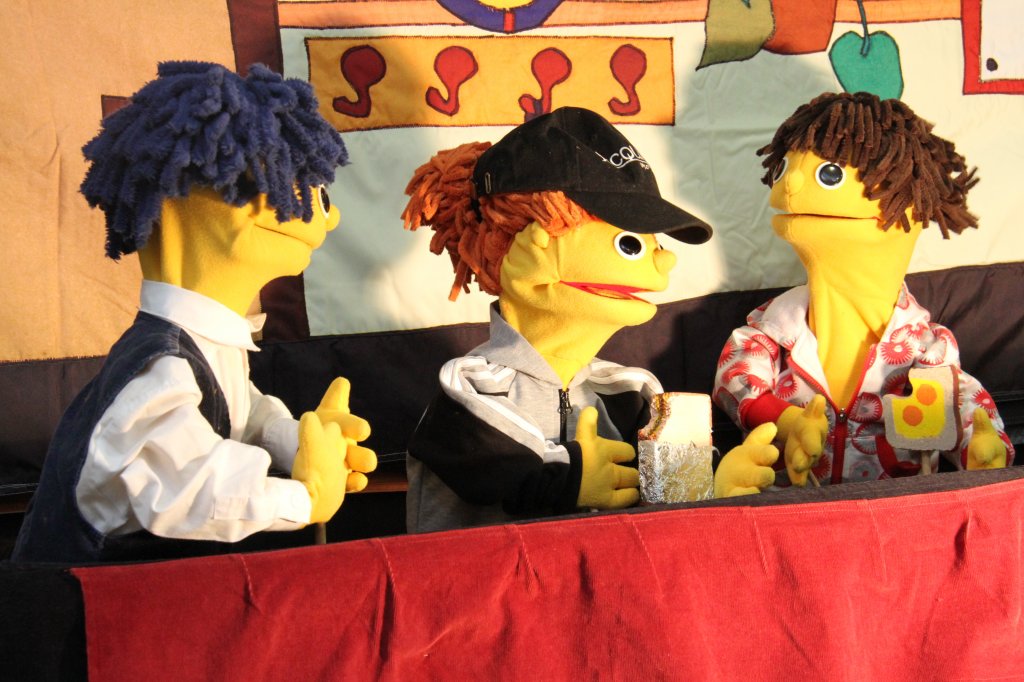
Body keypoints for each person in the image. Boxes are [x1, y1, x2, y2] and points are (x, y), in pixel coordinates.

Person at [13, 62, 376, 563]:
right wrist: (305, 496)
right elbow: (186, 484)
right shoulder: (159, 367)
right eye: (279, 179)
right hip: (77, 605)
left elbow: (240, 413)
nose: (325, 216)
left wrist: (299, 440)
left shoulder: (207, 344)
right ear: (182, 189)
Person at [401, 106, 723, 532]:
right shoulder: (469, 387)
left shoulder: (630, 392)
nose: (664, 261)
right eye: (630, 244)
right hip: (483, 576)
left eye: (654, 243)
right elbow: (504, 471)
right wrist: (571, 477)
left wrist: (718, 483)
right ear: (523, 246)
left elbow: (673, 489)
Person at [713, 92, 1013, 493]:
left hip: (893, 513)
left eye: (829, 175)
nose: (791, 183)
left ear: (908, 201)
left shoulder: (926, 347)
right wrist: (786, 422)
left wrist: (983, 449)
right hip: (788, 510)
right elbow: (733, 379)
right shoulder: (770, 330)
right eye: (784, 168)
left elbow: (962, 403)